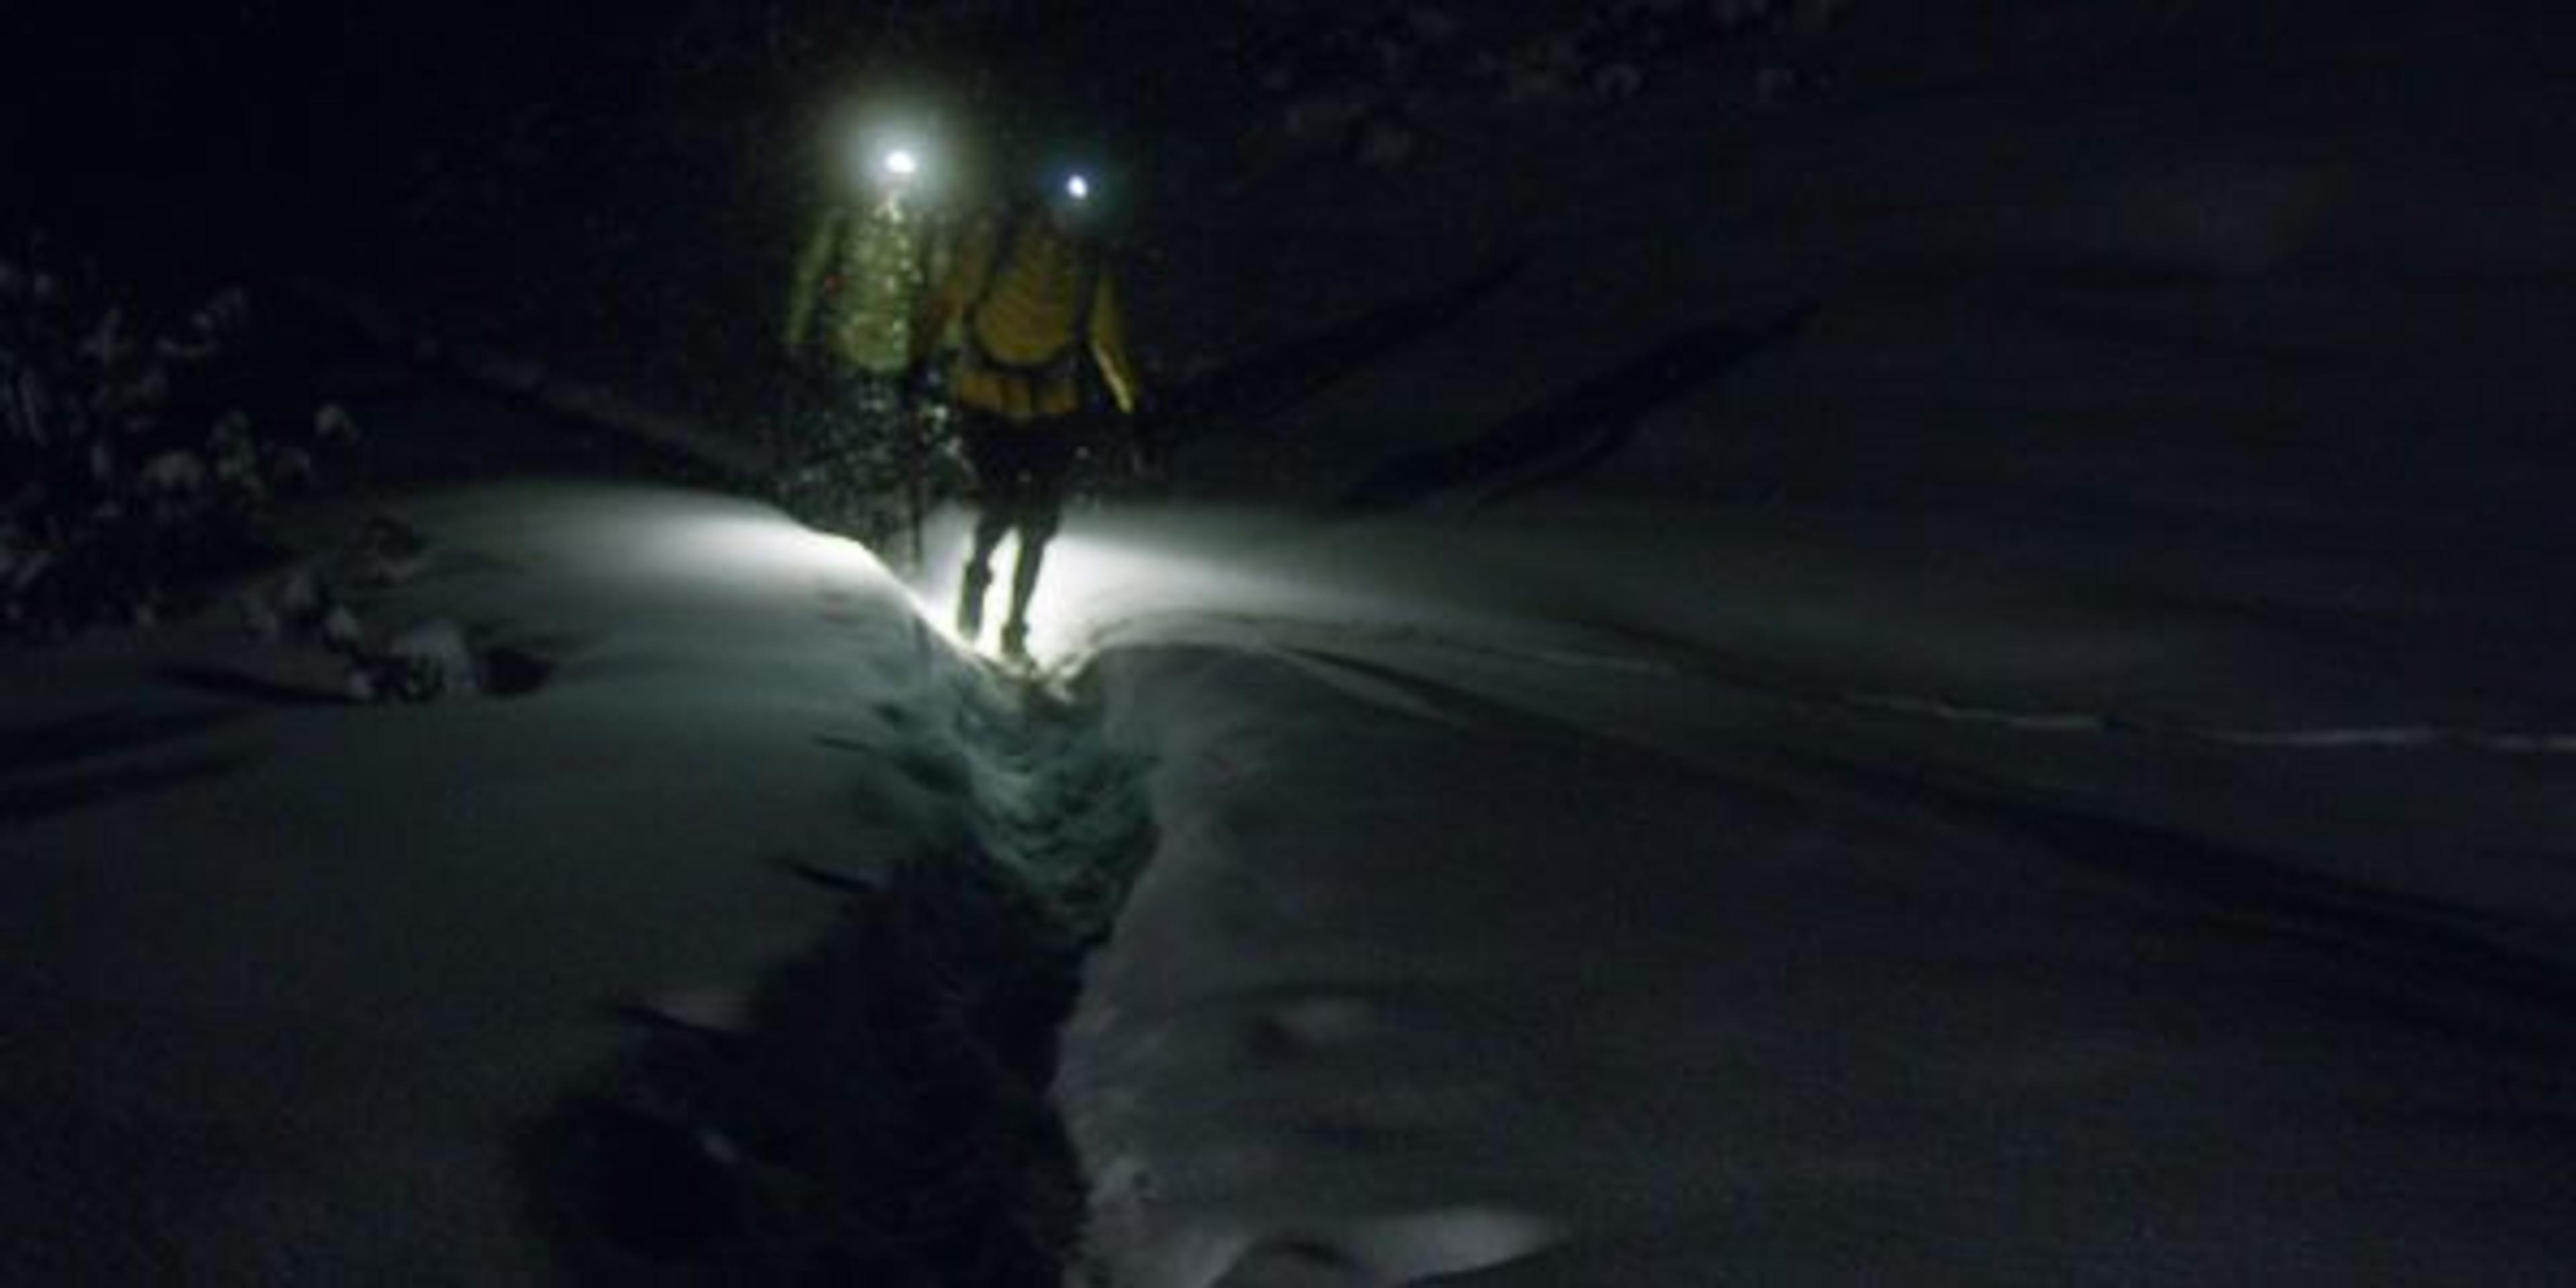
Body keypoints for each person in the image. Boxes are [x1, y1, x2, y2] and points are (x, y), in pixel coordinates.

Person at [909, 168, 1146, 662]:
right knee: (1000, 508)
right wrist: (916, 360)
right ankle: (977, 585)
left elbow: (1110, 343)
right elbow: (948, 299)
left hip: (1052, 407)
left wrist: (1134, 405)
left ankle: (1016, 626)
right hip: (987, 399)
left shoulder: (1088, 270)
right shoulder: (998, 246)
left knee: (1038, 523)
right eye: (1065, 205)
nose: (1072, 217)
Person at [781, 140, 949, 568]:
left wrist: (947, 349)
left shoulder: (926, 227)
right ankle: (831, 524)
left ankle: (870, 530)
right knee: (845, 432)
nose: (896, 183)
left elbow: (941, 291)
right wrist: (796, 332)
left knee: (882, 443)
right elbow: (810, 275)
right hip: (848, 344)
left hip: (897, 352)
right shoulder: (845, 219)